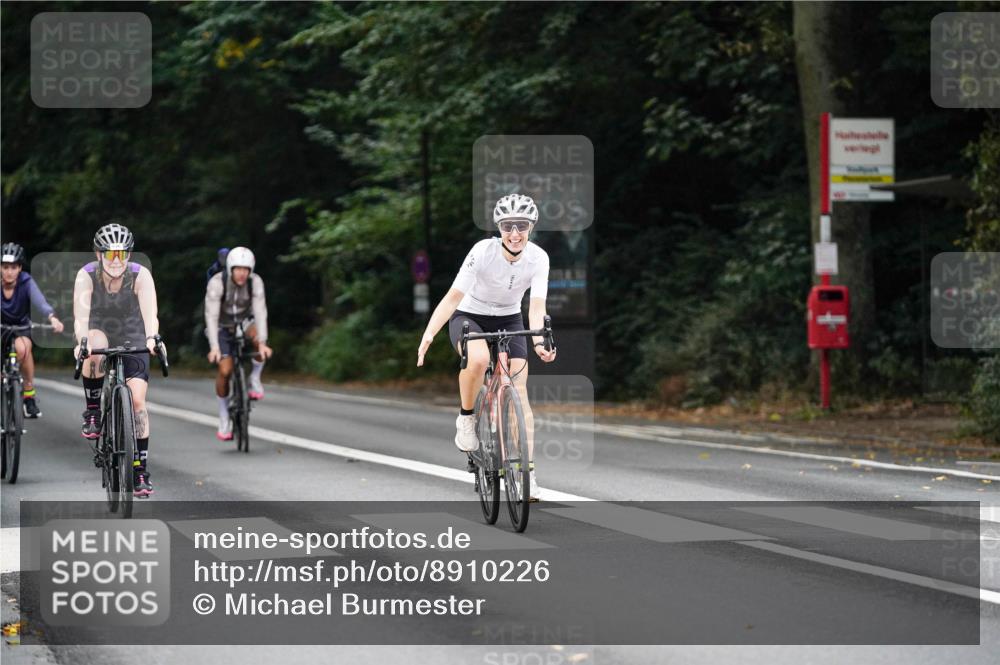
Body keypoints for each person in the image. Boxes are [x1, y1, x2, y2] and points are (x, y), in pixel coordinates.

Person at [416, 194, 557, 501]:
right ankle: (466, 417)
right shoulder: (482, 251)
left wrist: (539, 342)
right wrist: (429, 335)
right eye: (508, 226)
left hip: (509, 317)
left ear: (532, 227)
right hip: (470, 315)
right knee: (478, 360)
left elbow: (536, 307)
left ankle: (528, 473)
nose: (515, 233)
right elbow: (453, 298)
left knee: (519, 390)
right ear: (499, 228)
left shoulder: (539, 258)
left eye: (522, 225)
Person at [73, 223, 162, 498]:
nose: (115, 260)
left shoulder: (140, 275)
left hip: (133, 332)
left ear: (129, 256)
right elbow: (80, 317)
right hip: (99, 328)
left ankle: (139, 470)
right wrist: (81, 343)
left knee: (137, 403)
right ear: (98, 255)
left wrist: (152, 338)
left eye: (121, 254)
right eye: (109, 254)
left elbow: (151, 315)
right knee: (94, 344)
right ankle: (93, 411)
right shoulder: (86, 275)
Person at [204, 246, 272, 440]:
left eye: (246, 269)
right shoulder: (217, 283)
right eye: (238, 269)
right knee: (225, 370)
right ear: (230, 268)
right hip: (221, 325)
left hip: (245, 320)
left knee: (261, 342)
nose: (242, 274)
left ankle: (254, 379)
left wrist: (262, 343)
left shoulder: (255, 282)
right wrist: (215, 347)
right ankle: (224, 416)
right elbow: (211, 315)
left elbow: (260, 311)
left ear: (251, 270)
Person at [1, 242, 65, 417]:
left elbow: (40, 302)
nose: (9, 272)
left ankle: (28, 396)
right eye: (5, 267)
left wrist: (52, 318)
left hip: (21, 327)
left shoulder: (26, 281)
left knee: (23, 350)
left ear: (20, 268)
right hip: (0, 328)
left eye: (13, 267)